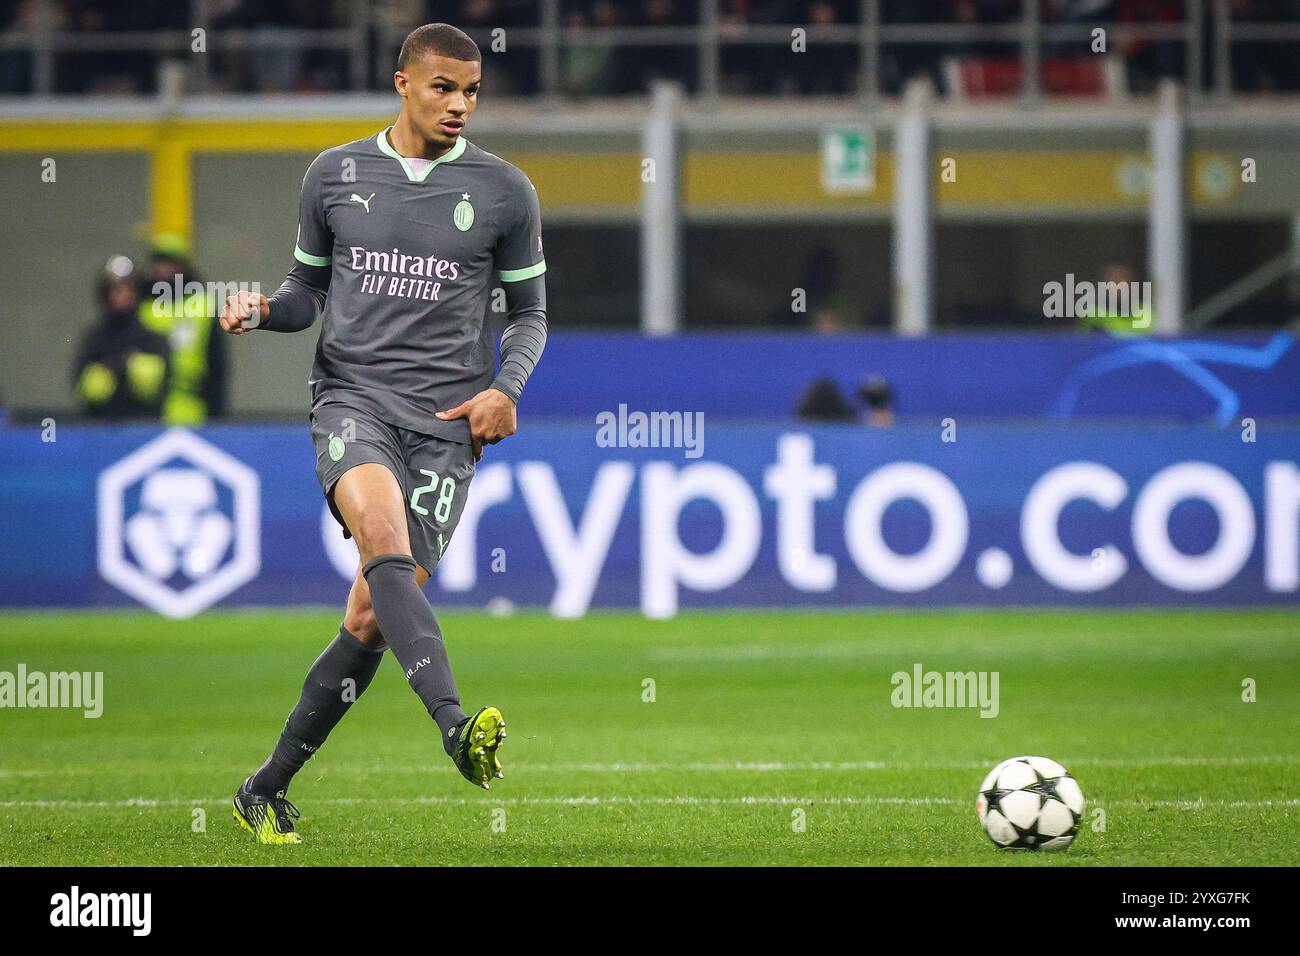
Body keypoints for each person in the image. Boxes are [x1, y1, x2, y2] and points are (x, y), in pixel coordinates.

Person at [218, 22, 548, 845]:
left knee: (370, 616)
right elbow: (305, 293)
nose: (460, 104)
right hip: (352, 399)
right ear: (403, 83)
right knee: (382, 538)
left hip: (445, 427)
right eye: (444, 87)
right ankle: (452, 725)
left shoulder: (506, 191)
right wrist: (264, 309)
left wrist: (505, 390)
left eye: (472, 90)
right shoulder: (334, 173)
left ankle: (265, 786)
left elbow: (532, 316)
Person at [138, 234, 228, 425]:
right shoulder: (141, 306)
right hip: (146, 409)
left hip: (192, 406)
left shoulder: (202, 305)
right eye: (159, 263)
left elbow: (217, 363)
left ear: (183, 266)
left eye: (170, 262)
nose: (164, 269)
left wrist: (217, 414)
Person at [72, 255, 171, 420]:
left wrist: (112, 367)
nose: (123, 296)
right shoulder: (94, 339)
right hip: (99, 431)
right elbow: (89, 389)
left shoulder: (152, 339)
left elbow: (152, 386)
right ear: (105, 294)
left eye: (129, 289)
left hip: (143, 429)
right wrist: (123, 362)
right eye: (116, 289)